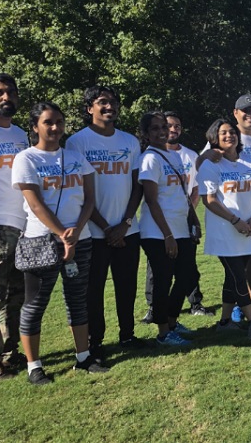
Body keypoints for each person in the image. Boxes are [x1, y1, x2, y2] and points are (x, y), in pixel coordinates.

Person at [12, 102, 104, 384]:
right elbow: (35, 204)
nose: (55, 127)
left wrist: (76, 232)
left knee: (77, 300)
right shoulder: (26, 159)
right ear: (34, 127)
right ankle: (34, 366)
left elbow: (89, 199)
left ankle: (83, 356)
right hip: (40, 240)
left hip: (80, 239)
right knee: (35, 303)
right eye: (48, 122)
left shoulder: (76, 157)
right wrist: (64, 235)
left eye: (59, 122)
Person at [66, 85, 144, 362]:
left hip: (128, 230)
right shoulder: (77, 142)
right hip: (93, 232)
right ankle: (95, 341)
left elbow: (137, 186)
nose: (109, 106)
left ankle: (127, 335)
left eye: (113, 101)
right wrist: (107, 228)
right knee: (93, 290)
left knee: (127, 286)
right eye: (102, 102)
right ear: (90, 108)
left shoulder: (130, 141)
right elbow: (80, 192)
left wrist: (125, 223)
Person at [198, 94, 251, 316]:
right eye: (245, 111)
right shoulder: (220, 141)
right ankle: (243, 310)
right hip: (230, 220)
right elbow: (200, 169)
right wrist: (207, 155)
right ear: (236, 113)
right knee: (236, 269)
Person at [140, 111, 212, 323]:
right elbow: (151, 200)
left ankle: (172, 323)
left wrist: (194, 220)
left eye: (164, 127)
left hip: (181, 227)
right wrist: (168, 235)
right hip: (158, 232)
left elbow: (184, 194)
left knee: (186, 276)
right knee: (163, 282)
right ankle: (164, 330)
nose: (163, 131)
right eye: (155, 128)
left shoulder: (176, 156)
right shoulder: (149, 159)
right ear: (146, 133)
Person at [0, 73, 29, 381]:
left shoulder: (21, 134)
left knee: (16, 295)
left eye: (11, 92)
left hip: (22, 226)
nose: (6, 97)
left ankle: (11, 352)